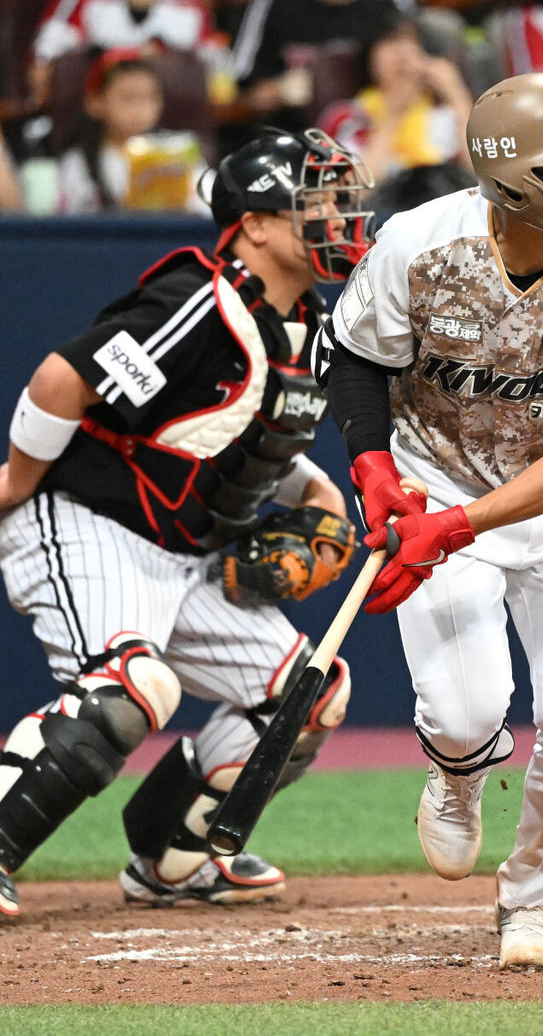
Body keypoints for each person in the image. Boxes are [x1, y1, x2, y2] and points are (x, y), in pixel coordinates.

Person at [312, 72, 543, 970]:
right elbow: (355, 355)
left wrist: (457, 527)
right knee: (467, 711)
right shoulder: (419, 241)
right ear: (514, 182)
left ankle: (532, 903)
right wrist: (372, 469)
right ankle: (457, 771)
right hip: (434, 483)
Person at [0, 127, 375, 920]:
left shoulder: (303, 323)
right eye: (315, 202)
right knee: (132, 689)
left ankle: (177, 857)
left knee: (308, 693)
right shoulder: (203, 298)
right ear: (257, 224)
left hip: (181, 552)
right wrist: (15, 482)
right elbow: (63, 380)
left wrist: (321, 496)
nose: (338, 217)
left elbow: (231, 429)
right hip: (90, 520)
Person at [231, 0, 417, 133]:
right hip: (293, 138)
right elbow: (239, 86)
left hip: (375, 134)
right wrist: (280, 91)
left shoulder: (392, 1)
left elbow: (418, 73)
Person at [30, 0, 228, 108]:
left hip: (172, 137)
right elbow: (42, 72)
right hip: (93, 138)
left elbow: (222, 78)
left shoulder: (192, 7)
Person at [317, 16, 474, 185]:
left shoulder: (447, 114)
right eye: (391, 43)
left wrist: (457, 95)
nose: (403, 54)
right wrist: (392, 118)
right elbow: (352, 192)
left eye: (413, 43)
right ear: (370, 56)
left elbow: (483, 178)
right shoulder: (345, 116)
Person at [53, 47, 207, 215]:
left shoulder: (178, 151)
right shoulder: (78, 162)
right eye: (127, 98)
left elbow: (211, 202)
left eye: (149, 98)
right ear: (95, 103)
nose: (140, 110)